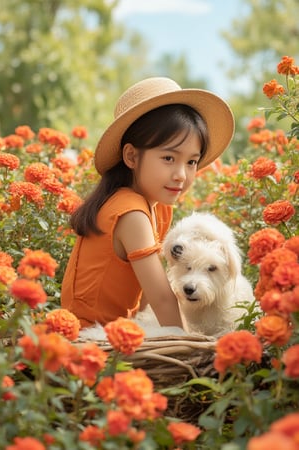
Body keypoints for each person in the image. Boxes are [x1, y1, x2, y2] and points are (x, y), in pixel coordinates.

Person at [61, 77, 234, 329]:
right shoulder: (130, 212)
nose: (181, 175)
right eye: (168, 158)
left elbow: (144, 296)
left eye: (191, 162)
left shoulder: (158, 208)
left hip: (120, 332)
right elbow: (162, 299)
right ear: (131, 156)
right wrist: (185, 353)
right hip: (91, 340)